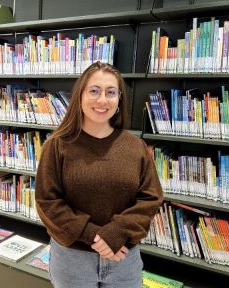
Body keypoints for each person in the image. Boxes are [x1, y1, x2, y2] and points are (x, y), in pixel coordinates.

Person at [35, 61, 163, 288]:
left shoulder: (135, 146)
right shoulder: (57, 146)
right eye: (94, 91)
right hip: (72, 260)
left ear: (119, 99)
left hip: (123, 258)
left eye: (111, 92)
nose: (102, 100)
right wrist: (97, 237)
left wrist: (117, 233)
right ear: (80, 96)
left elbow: (150, 198)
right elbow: (48, 202)